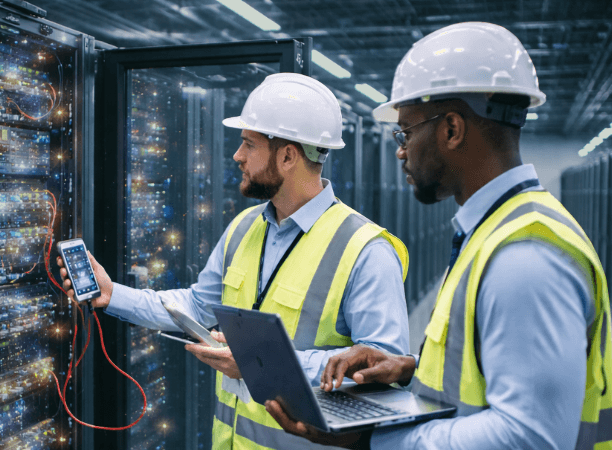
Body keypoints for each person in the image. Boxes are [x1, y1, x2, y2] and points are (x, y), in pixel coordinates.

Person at [265, 22, 612, 450]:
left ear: (451, 129)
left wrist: (375, 439)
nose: (401, 150)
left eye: (407, 132)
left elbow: (530, 437)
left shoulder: (523, 256)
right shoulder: (496, 232)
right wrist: (409, 367)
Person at [58, 73, 412, 450]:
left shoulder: (365, 250)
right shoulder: (244, 227)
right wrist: (112, 294)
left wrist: (259, 364)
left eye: (249, 144)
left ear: (288, 156)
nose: (237, 156)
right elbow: (196, 306)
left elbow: (379, 371)